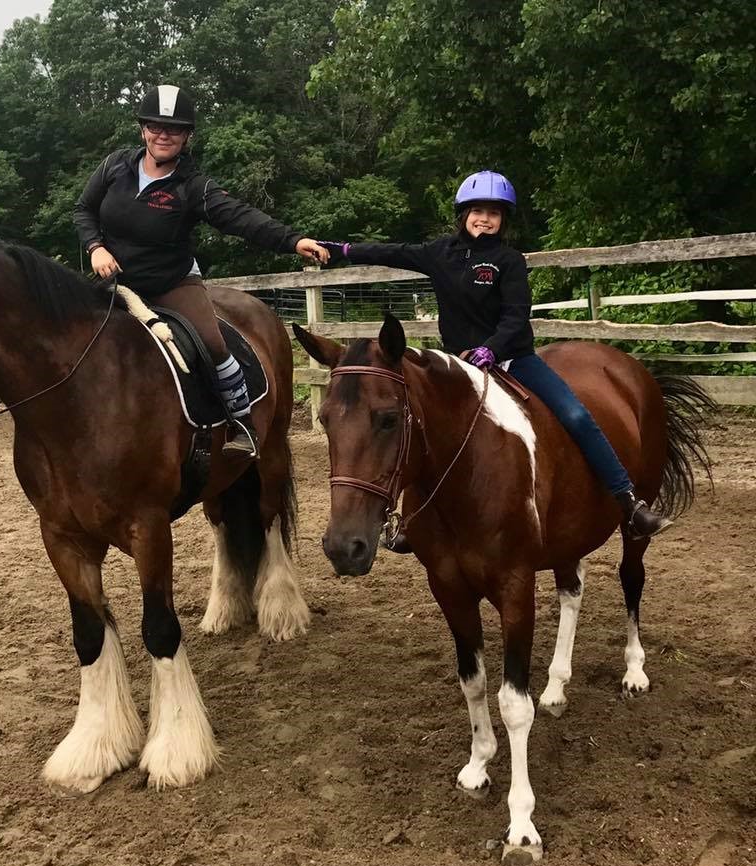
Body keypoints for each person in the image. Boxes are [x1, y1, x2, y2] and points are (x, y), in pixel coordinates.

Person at [317, 170, 672, 540]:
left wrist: (492, 348)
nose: (484, 219)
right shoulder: (439, 253)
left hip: (513, 359)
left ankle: (629, 502)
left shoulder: (509, 260)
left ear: (503, 220)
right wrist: (340, 249)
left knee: (576, 414)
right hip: (456, 364)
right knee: (416, 428)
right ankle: (415, 520)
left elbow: (516, 316)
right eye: (477, 211)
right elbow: (390, 252)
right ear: (463, 214)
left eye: (494, 213)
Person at [75, 84, 328, 457]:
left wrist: (292, 241)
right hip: (112, 281)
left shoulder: (193, 187)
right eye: (156, 126)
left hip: (170, 282)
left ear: (187, 136)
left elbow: (241, 218)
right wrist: (96, 247)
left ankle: (242, 421)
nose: (163, 134)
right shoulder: (115, 166)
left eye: (174, 129)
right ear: (143, 129)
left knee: (212, 343)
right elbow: (83, 209)